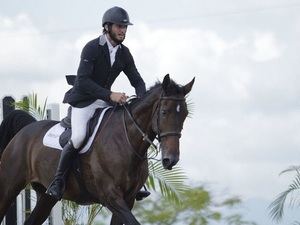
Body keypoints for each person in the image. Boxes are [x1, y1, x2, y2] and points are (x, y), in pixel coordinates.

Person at [46, 6, 149, 201]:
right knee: (78, 137)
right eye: (120, 26)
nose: (123, 31)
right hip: (83, 101)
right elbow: (83, 81)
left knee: (121, 131)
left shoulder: (124, 53)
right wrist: (111, 94)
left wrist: (141, 98)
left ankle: (136, 182)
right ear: (107, 26)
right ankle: (58, 181)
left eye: (125, 27)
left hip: (103, 102)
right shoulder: (92, 47)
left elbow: (137, 80)